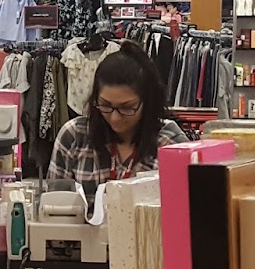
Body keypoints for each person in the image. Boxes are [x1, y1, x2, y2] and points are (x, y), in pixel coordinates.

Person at [46, 40, 187, 191]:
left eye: (126, 108)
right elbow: (54, 201)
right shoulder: (74, 136)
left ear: (147, 102)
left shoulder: (171, 144)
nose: (115, 117)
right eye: (106, 105)